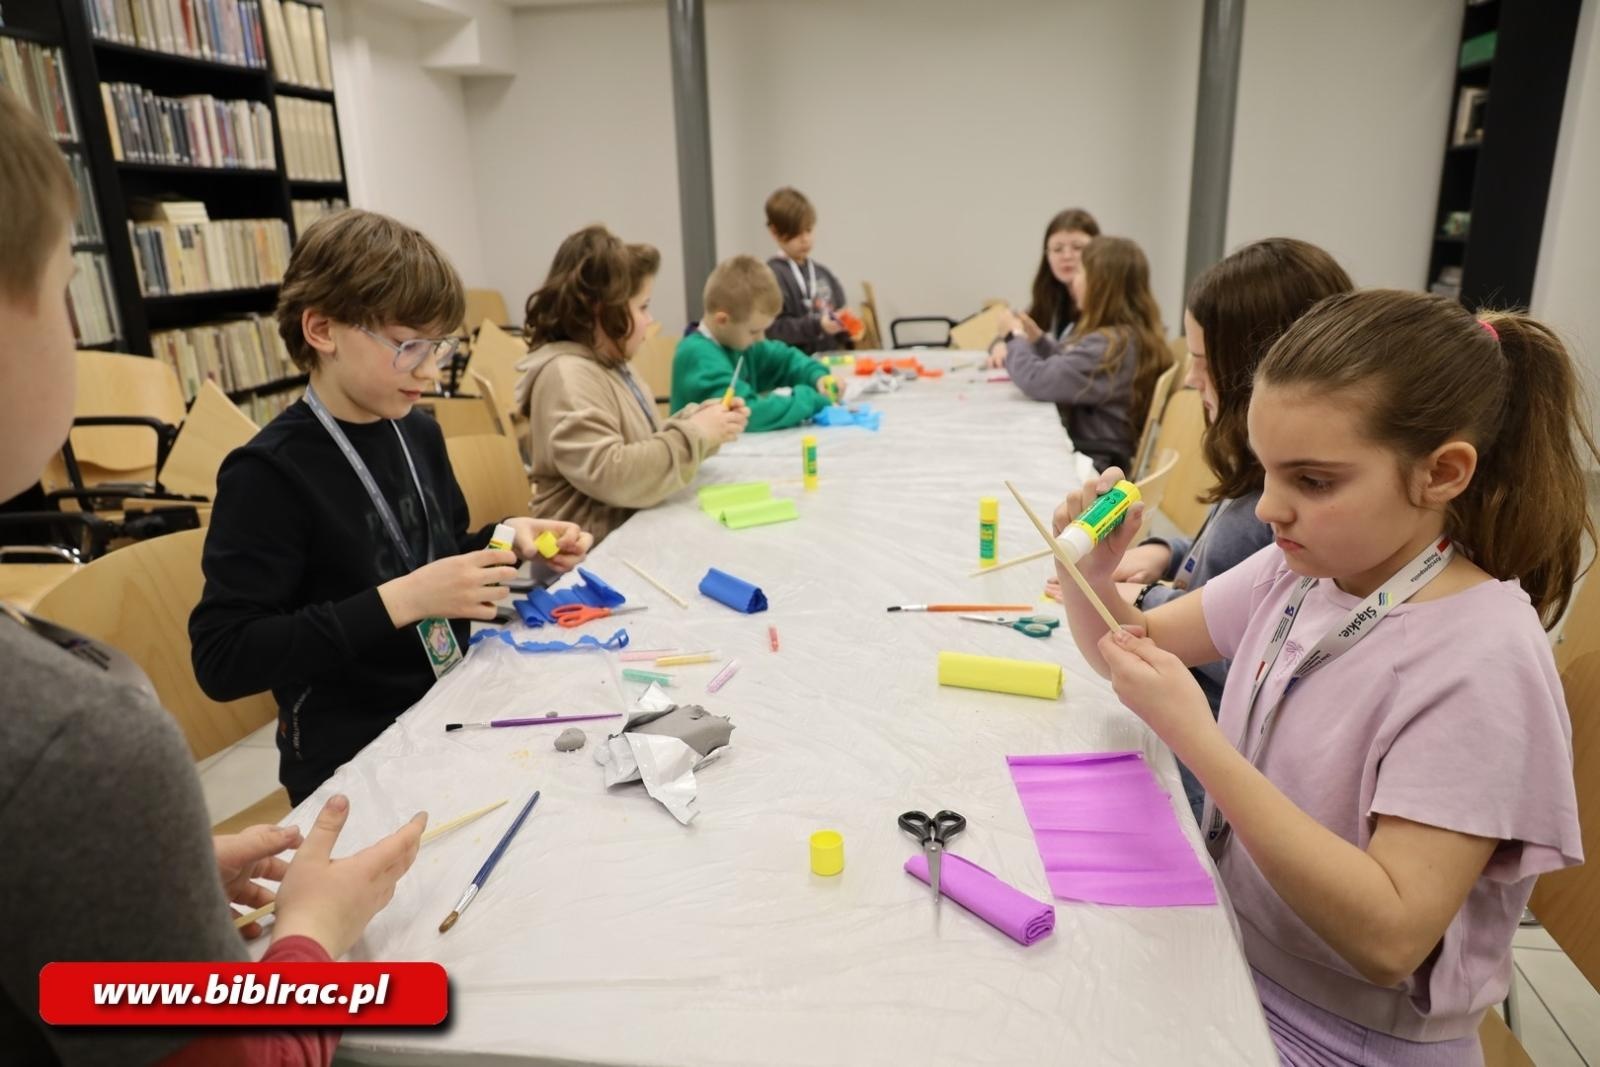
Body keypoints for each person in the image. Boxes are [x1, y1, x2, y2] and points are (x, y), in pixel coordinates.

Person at [0, 84, 424, 1067]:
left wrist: (161, 859)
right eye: (66, 285)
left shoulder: (416, 435)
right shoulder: (70, 740)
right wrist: (310, 935)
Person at [1054, 289, 1589, 1064]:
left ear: (1441, 473)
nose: (1269, 507)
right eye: (1268, 471)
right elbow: (1136, 641)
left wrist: (1200, 743)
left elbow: (1391, 935)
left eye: (1312, 481)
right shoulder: (1305, 568)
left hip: (1347, 1037)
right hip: (1234, 965)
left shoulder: (1483, 659)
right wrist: (1087, 571)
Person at [191, 210, 593, 805]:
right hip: (352, 759)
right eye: (408, 346)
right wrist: (403, 600)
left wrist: (509, 542)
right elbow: (224, 656)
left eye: (438, 346)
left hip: (447, 707)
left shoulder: (415, 430)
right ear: (323, 330)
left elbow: (435, 554)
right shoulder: (268, 473)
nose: (429, 370)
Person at [1049, 238, 1354, 823]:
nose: (1189, 380)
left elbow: (1389, 914)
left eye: (1202, 360)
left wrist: (1134, 591)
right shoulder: (1269, 531)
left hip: (1217, 775)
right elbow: (1144, 634)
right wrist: (1137, 561)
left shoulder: (1272, 529)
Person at [517, 225, 748, 544]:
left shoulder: (613, 366)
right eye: (642, 307)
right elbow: (614, 475)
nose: (649, 320)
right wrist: (696, 434)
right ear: (602, 310)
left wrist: (702, 422)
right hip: (583, 555)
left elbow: (643, 443)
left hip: (620, 534)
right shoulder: (566, 376)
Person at [999, 235, 1169, 472]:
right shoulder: (1125, 337)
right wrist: (1038, 341)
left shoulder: (1110, 347)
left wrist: (1013, 336)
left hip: (1095, 465)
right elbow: (1068, 365)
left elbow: (1036, 380)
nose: (1072, 282)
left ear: (1101, 285)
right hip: (1103, 455)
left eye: (1079, 272)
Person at [671, 254, 846, 432]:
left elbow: (785, 359)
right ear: (722, 320)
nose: (761, 339)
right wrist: (811, 399)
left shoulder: (738, 342)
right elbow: (748, 413)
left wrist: (817, 377)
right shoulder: (697, 356)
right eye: (754, 331)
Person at [984, 207, 1100, 371]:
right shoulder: (1052, 297)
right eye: (1058, 249)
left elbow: (1062, 368)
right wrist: (1003, 344)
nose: (1067, 256)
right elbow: (1013, 332)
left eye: (1077, 247)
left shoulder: (1106, 308)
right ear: (1047, 256)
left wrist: (1014, 338)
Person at [763, 187, 853, 354]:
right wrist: (818, 325)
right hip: (793, 369)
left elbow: (840, 314)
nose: (804, 239)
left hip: (827, 363)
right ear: (774, 232)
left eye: (808, 230)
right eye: (795, 233)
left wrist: (846, 329)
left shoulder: (824, 274)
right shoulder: (769, 277)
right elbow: (773, 330)